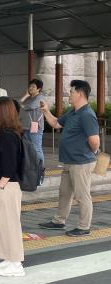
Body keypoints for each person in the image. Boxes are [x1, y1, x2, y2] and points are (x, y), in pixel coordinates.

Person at [39, 80, 100, 237]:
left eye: (71, 92)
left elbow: (95, 142)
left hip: (81, 163)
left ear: (80, 93)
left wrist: (89, 153)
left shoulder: (87, 115)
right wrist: (46, 111)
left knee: (82, 195)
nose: (69, 95)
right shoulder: (73, 112)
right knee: (65, 193)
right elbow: (56, 124)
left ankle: (84, 226)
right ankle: (59, 221)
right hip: (69, 161)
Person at [0, 97, 25, 277]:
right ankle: (8, 258)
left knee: (11, 224)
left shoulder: (9, 136)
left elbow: (11, 164)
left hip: (8, 185)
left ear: (1, 113)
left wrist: (2, 182)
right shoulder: (5, 134)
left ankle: (16, 262)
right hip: (4, 184)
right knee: (3, 223)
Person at [20, 78, 46, 184]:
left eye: (33, 87)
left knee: (37, 149)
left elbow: (28, 107)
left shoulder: (40, 98)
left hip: (36, 129)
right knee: (28, 150)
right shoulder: (29, 98)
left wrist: (23, 105)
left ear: (39, 89)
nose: (30, 88)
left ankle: (41, 171)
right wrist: (25, 96)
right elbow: (19, 103)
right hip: (26, 128)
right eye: (30, 86)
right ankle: (31, 170)